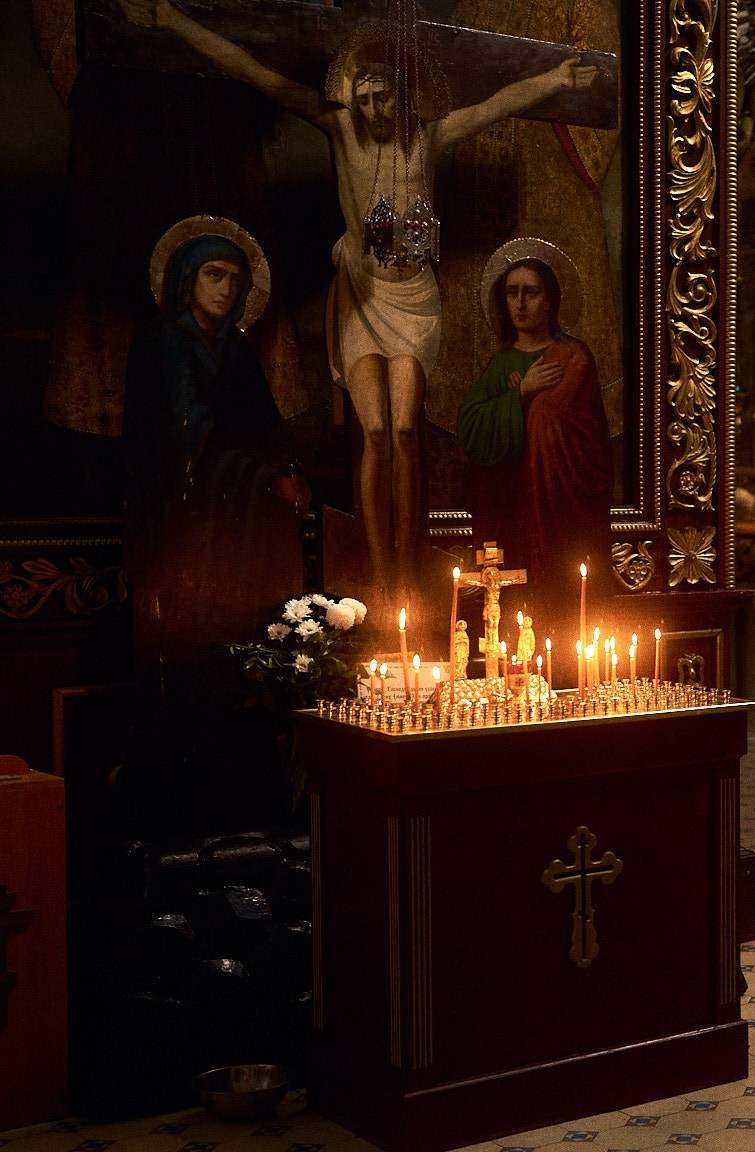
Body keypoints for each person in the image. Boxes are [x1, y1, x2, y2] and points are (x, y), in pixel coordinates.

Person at [120, 0, 598, 602]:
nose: (372, 108)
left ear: (403, 99)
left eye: (383, 97)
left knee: (405, 431)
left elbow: (495, 105)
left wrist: (554, 78)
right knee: (374, 432)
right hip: (360, 294)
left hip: (413, 299)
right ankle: (381, 571)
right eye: (364, 97)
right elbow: (259, 74)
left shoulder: (427, 139)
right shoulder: (341, 129)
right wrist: (173, 21)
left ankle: (408, 560)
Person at [123, 222, 311, 828]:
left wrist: (291, 473)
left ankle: (247, 804)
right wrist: (264, 480)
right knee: (191, 672)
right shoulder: (164, 345)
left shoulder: (235, 351)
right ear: (185, 281)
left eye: (235, 279)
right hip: (185, 538)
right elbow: (188, 437)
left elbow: (265, 428)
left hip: (241, 540)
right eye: (214, 274)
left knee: (242, 671)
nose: (226, 289)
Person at [458, 249, 611, 624]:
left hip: (563, 511)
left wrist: (533, 407)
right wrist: (522, 395)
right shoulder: (501, 365)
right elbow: (471, 430)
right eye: (512, 293)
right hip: (511, 513)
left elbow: (587, 436)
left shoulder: (572, 356)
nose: (520, 303)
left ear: (551, 301)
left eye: (531, 292)